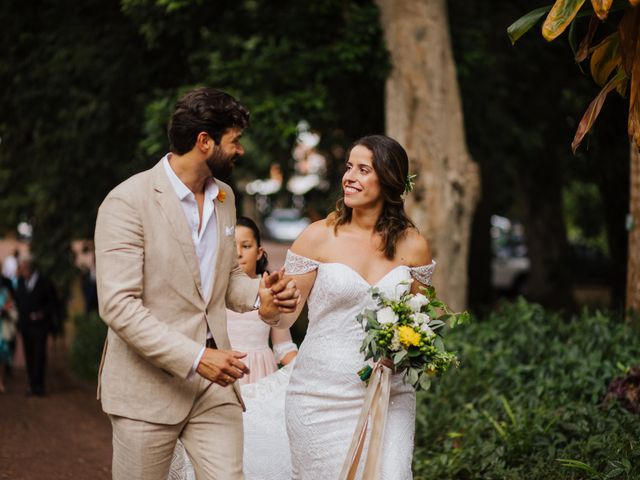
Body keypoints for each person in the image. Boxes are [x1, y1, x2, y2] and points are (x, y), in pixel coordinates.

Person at [94, 87, 299, 480]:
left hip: (215, 388)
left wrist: (263, 295)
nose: (239, 150)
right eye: (234, 141)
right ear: (205, 142)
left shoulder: (224, 197)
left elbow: (228, 281)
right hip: (147, 387)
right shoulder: (127, 202)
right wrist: (195, 358)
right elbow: (118, 306)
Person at [276, 135, 436, 479]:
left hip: (389, 394)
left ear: (390, 180)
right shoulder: (318, 236)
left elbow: (422, 317)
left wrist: (411, 347)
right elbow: (283, 315)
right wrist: (270, 304)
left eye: (363, 169)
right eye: (349, 167)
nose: (349, 176)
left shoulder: (414, 245)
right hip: (318, 394)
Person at [170, 216, 298, 480]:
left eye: (246, 245)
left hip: (261, 377)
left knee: (259, 448)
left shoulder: (270, 290)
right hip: (222, 374)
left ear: (260, 251)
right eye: (232, 245)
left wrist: (303, 364)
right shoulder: (212, 292)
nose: (238, 252)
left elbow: (283, 345)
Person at [14, 256, 59, 396]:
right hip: (26, 325)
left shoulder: (44, 281)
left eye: (24, 268)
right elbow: (19, 301)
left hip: (40, 326)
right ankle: (32, 384)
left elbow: (53, 302)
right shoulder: (21, 282)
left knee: (39, 354)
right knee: (29, 354)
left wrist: (42, 314)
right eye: (21, 268)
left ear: (30, 268)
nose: (21, 271)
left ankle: (39, 386)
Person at [0, 275, 18, 393]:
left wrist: (5, 312)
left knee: (1, 355)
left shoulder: (6, 292)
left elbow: (12, 307)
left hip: (2, 328)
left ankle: (0, 381)